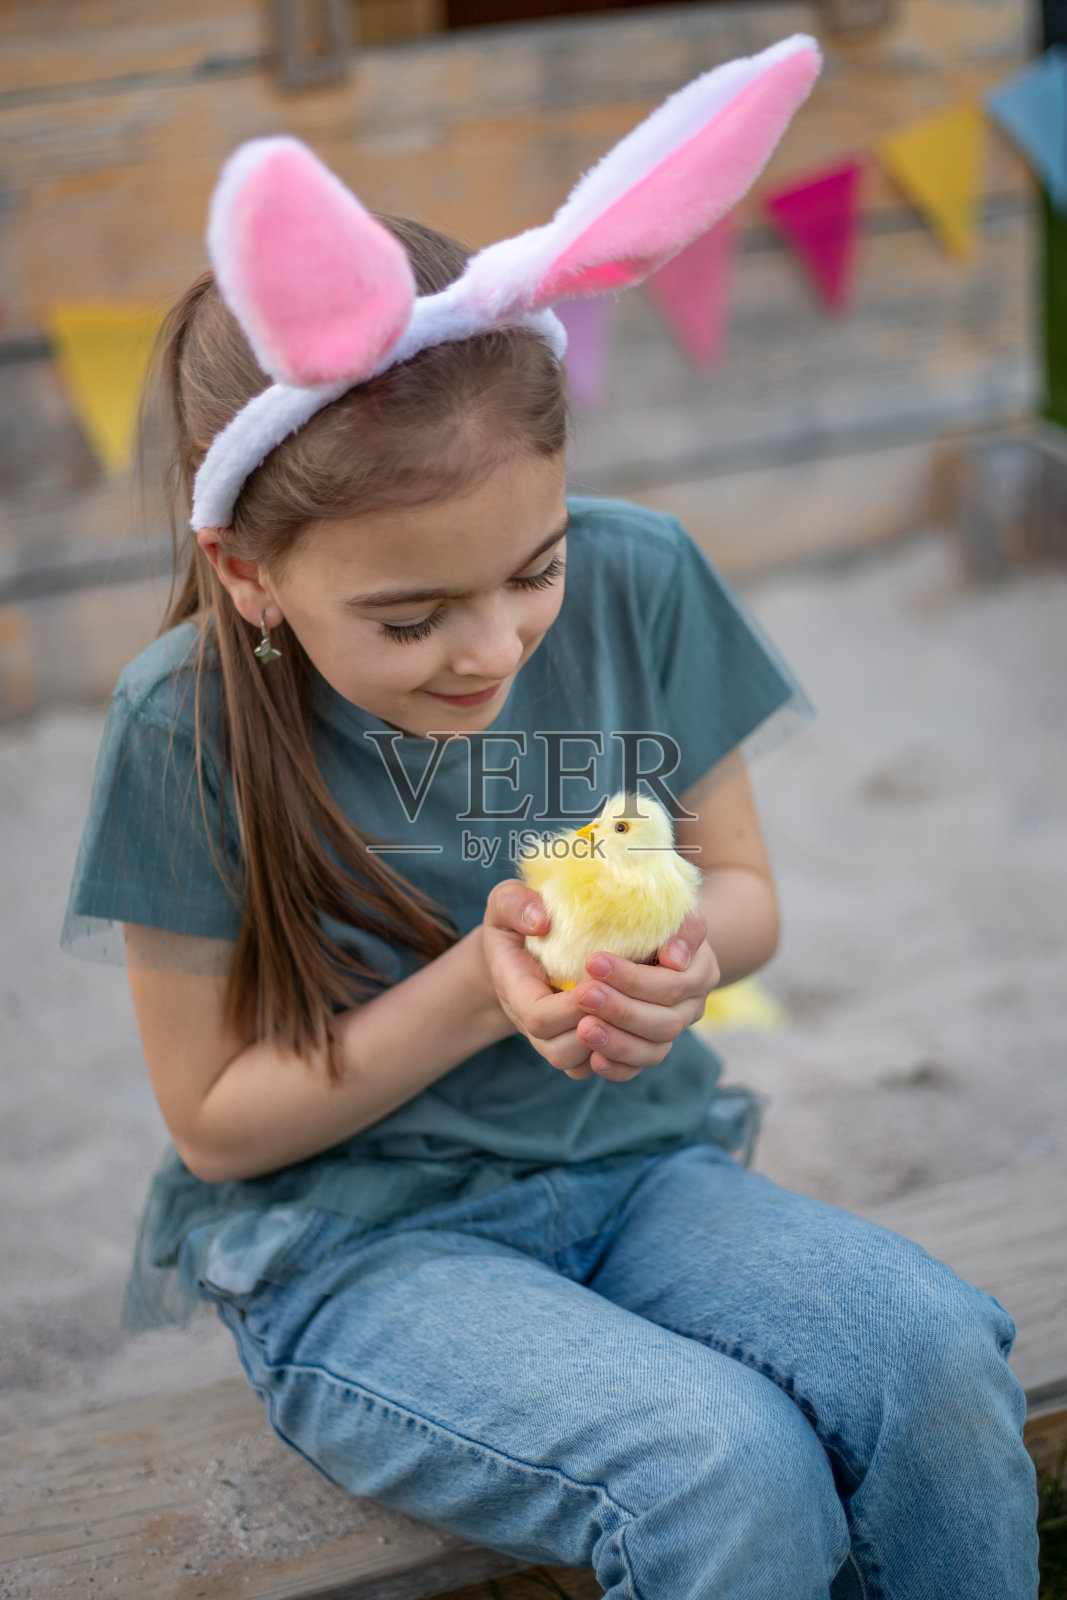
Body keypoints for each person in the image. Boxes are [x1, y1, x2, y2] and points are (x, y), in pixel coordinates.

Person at [63, 40, 1038, 1600]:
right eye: (409, 617)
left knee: (931, 1362)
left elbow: (745, 895)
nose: (495, 648)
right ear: (252, 573)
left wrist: (679, 962)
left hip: (642, 1167)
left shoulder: (642, 574)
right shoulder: (177, 725)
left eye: (532, 570)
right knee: (723, 1470)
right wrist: (473, 988)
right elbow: (214, 1119)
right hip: (359, 1252)